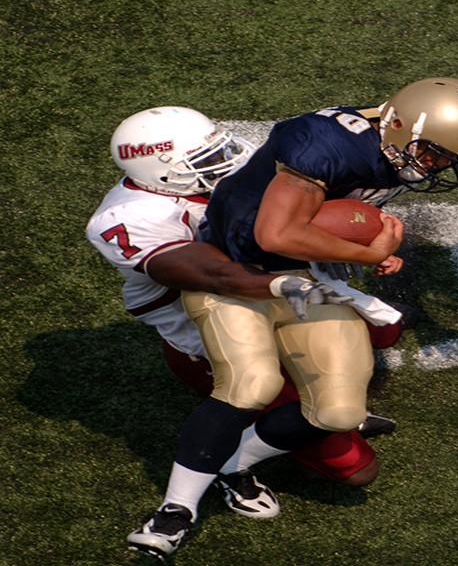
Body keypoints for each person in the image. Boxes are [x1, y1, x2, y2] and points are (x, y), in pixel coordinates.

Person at [123, 78, 458, 560]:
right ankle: (174, 511)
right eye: (431, 155)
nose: (436, 167)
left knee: (338, 411)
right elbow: (276, 232)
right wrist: (368, 252)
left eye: (445, 159)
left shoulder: (393, 137)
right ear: (401, 126)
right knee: (250, 386)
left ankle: (230, 465)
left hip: (302, 278)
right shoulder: (324, 145)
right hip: (234, 275)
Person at [86, 106, 397, 560]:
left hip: (287, 310)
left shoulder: (232, 167)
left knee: (380, 336)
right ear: (162, 174)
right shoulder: (131, 218)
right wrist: (295, 276)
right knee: (355, 470)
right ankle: (209, 484)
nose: (227, 161)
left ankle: (259, 443)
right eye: (206, 160)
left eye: (220, 149)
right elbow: (219, 277)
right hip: (207, 340)